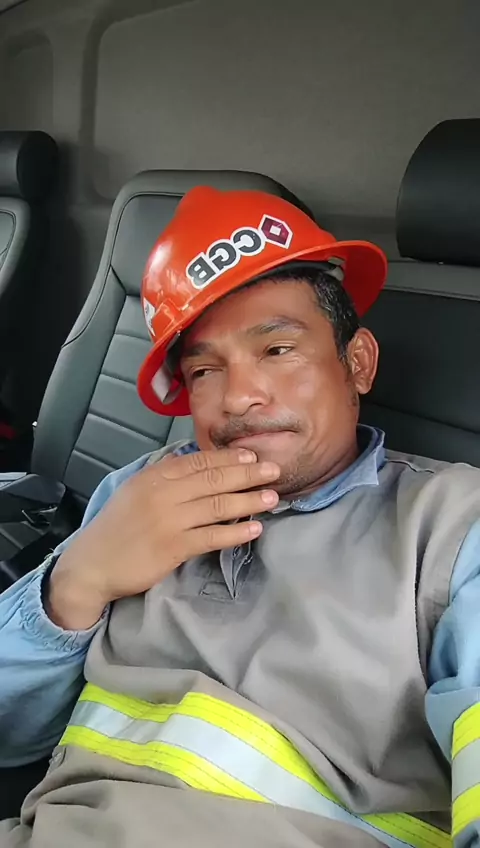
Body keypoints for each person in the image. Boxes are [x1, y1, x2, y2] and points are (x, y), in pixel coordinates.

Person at [0, 187, 479, 848]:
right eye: (204, 369)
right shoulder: (140, 491)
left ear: (357, 363)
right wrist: (75, 583)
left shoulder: (454, 527)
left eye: (277, 350)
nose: (240, 397)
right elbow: (9, 738)